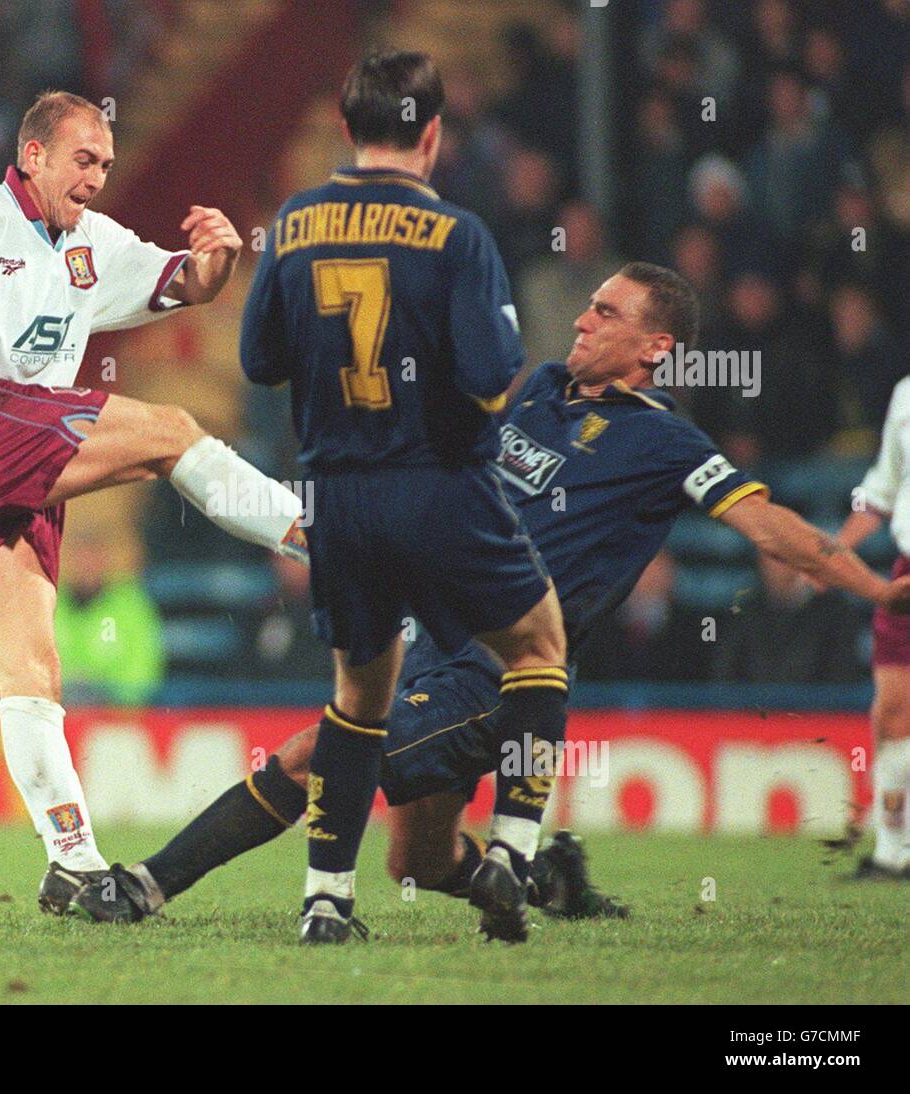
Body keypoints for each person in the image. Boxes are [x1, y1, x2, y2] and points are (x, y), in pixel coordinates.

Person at [68, 264, 910, 928]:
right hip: (429, 636)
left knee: (313, 756)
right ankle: (544, 881)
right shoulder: (541, 389)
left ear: (657, 348)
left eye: (607, 314)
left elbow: (772, 530)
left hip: (501, 668)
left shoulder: (667, 443)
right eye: (588, 304)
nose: (583, 319)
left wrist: (875, 584)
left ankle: (143, 886)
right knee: (418, 865)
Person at [0, 90, 308, 916]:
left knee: (32, 674)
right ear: (33, 155)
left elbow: (183, 285)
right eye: (83, 160)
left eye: (105, 164)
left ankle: (74, 865)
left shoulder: (92, 243)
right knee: (168, 431)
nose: (96, 177)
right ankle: (317, 540)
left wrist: (217, 263)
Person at [165, 51, 572, 945]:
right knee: (538, 646)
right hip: (438, 486)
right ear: (432, 132)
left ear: (347, 130)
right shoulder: (457, 232)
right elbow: (492, 373)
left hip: (337, 496)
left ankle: (325, 901)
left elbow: (260, 363)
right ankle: (509, 850)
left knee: (358, 697)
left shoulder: (296, 222)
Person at [838, 379, 910, 879]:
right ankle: (893, 852)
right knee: (892, 711)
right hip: (906, 573)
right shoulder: (906, 394)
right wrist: (833, 553)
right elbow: (882, 488)